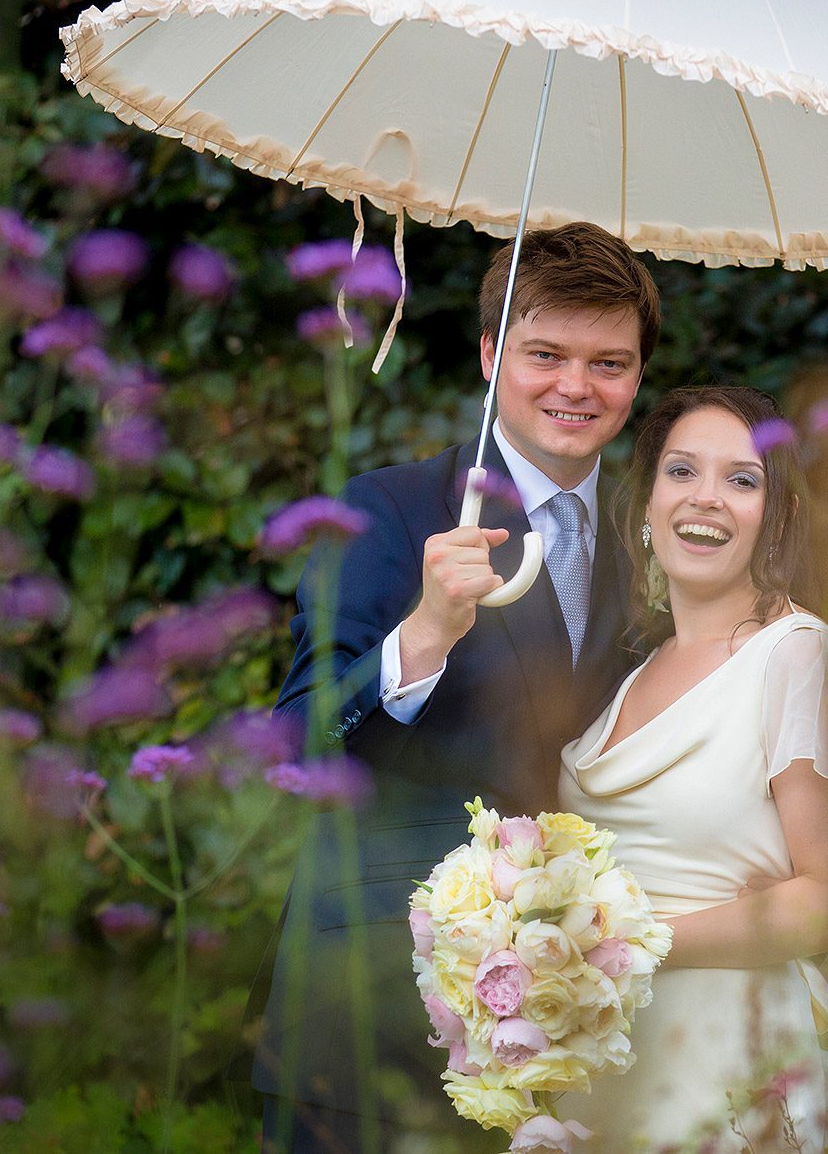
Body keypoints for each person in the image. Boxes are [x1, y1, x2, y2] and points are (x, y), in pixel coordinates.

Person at [253, 223, 662, 1151]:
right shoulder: (385, 509)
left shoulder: (651, 537)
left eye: (609, 363)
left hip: (566, 1038)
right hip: (366, 1020)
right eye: (545, 354)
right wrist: (426, 631)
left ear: (638, 376)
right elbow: (295, 744)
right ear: (489, 354)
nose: (576, 385)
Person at [557, 386, 828, 1150]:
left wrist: (631, 944)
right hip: (604, 1064)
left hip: (730, 1062)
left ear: (779, 516)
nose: (705, 496)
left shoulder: (798, 657)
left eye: (742, 479)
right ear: (647, 502)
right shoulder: (633, 673)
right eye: (681, 471)